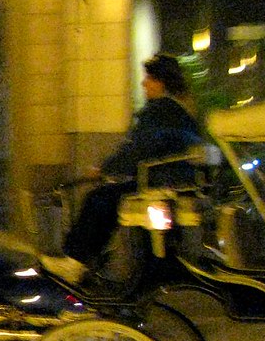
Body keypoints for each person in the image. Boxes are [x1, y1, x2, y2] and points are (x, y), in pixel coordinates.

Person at [40, 53, 202, 286]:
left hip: (157, 180)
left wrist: (105, 169)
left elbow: (138, 148)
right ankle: (90, 263)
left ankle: (76, 261)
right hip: (172, 179)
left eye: (148, 79)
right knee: (108, 197)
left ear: (160, 82)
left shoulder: (159, 110)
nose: (143, 84)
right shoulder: (182, 112)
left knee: (99, 199)